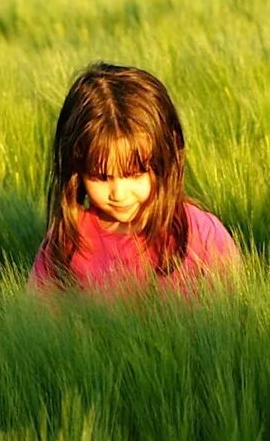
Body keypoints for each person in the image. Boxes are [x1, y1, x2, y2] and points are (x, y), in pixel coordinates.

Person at [28, 61, 239, 296]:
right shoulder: (65, 244)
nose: (118, 193)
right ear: (76, 171)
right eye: (100, 177)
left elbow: (237, 314)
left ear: (166, 157)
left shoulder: (201, 234)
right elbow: (39, 324)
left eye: (134, 173)